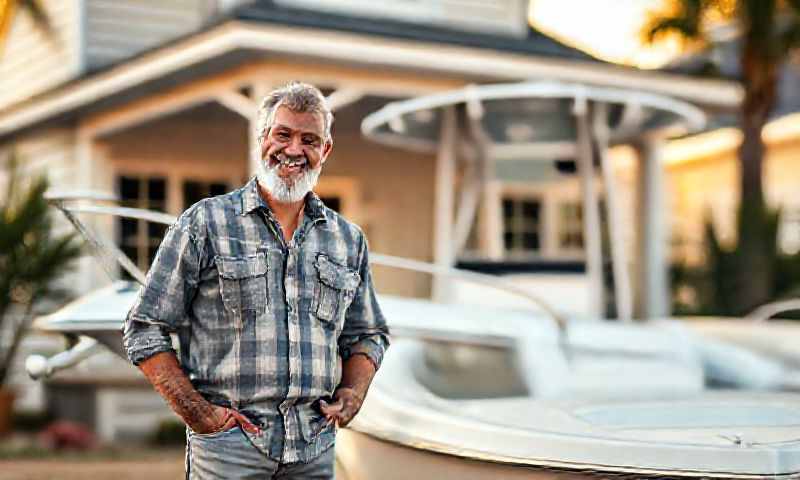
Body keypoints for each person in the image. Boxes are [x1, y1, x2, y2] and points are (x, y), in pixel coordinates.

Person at [123, 81, 390, 479]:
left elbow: (368, 333)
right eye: (283, 134)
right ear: (262, 139)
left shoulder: (347, 239)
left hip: (314, 447)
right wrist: (201, 416)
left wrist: (352, 394)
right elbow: (144, 329)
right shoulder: (205, 223)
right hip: (229, 449)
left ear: (326, 150)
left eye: (309, 139)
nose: (294, 150)